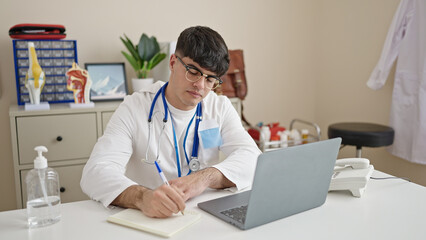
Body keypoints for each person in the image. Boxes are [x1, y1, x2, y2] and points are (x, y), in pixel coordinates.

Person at [80, 26, 261, 218]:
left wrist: (204, 178)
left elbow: (253, 157)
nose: (200, 85)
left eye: (210, 79)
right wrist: (142, 197)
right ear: (173, 62)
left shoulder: (219, 106)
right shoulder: (135, 107)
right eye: (193, 71)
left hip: (202, 215)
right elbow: (95, 172)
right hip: (150, 217)